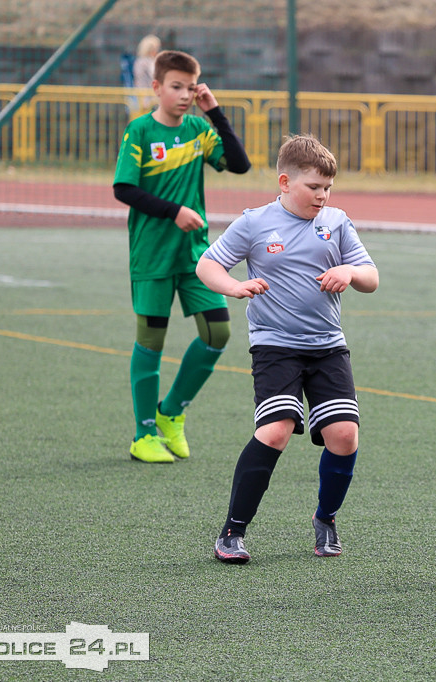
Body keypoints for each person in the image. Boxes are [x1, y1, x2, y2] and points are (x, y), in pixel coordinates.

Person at [198, 134, 378, 564]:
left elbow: (371, 277)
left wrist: (350, 271)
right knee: (276, 430)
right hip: (275, 347)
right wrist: (235, 285)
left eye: (328, 187)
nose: (322, 195)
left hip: (328, 347)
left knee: (344, 435)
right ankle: (232, 531)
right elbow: (208, 264)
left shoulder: (336, 222)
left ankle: (326, 519)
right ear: (285, 182)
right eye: (313, 187)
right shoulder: (255, 222)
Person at [113, 50, 251, 464]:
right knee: (151, 342)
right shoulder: (139, 132)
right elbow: (124, 189)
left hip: (195, 257)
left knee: (217, 333)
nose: (186, 95)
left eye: (192, 87)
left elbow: (239, 165)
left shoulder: (198, 130)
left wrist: (216, 114)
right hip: (152, 257)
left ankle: (171, 412)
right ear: (156, 88)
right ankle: (143, 434)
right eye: (177, 86)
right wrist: (174, 211)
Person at [131, 34, 161, 112]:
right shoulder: (148, 62)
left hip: (142, 97)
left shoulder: (139, 61)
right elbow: (155, 76)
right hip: (149, 99)